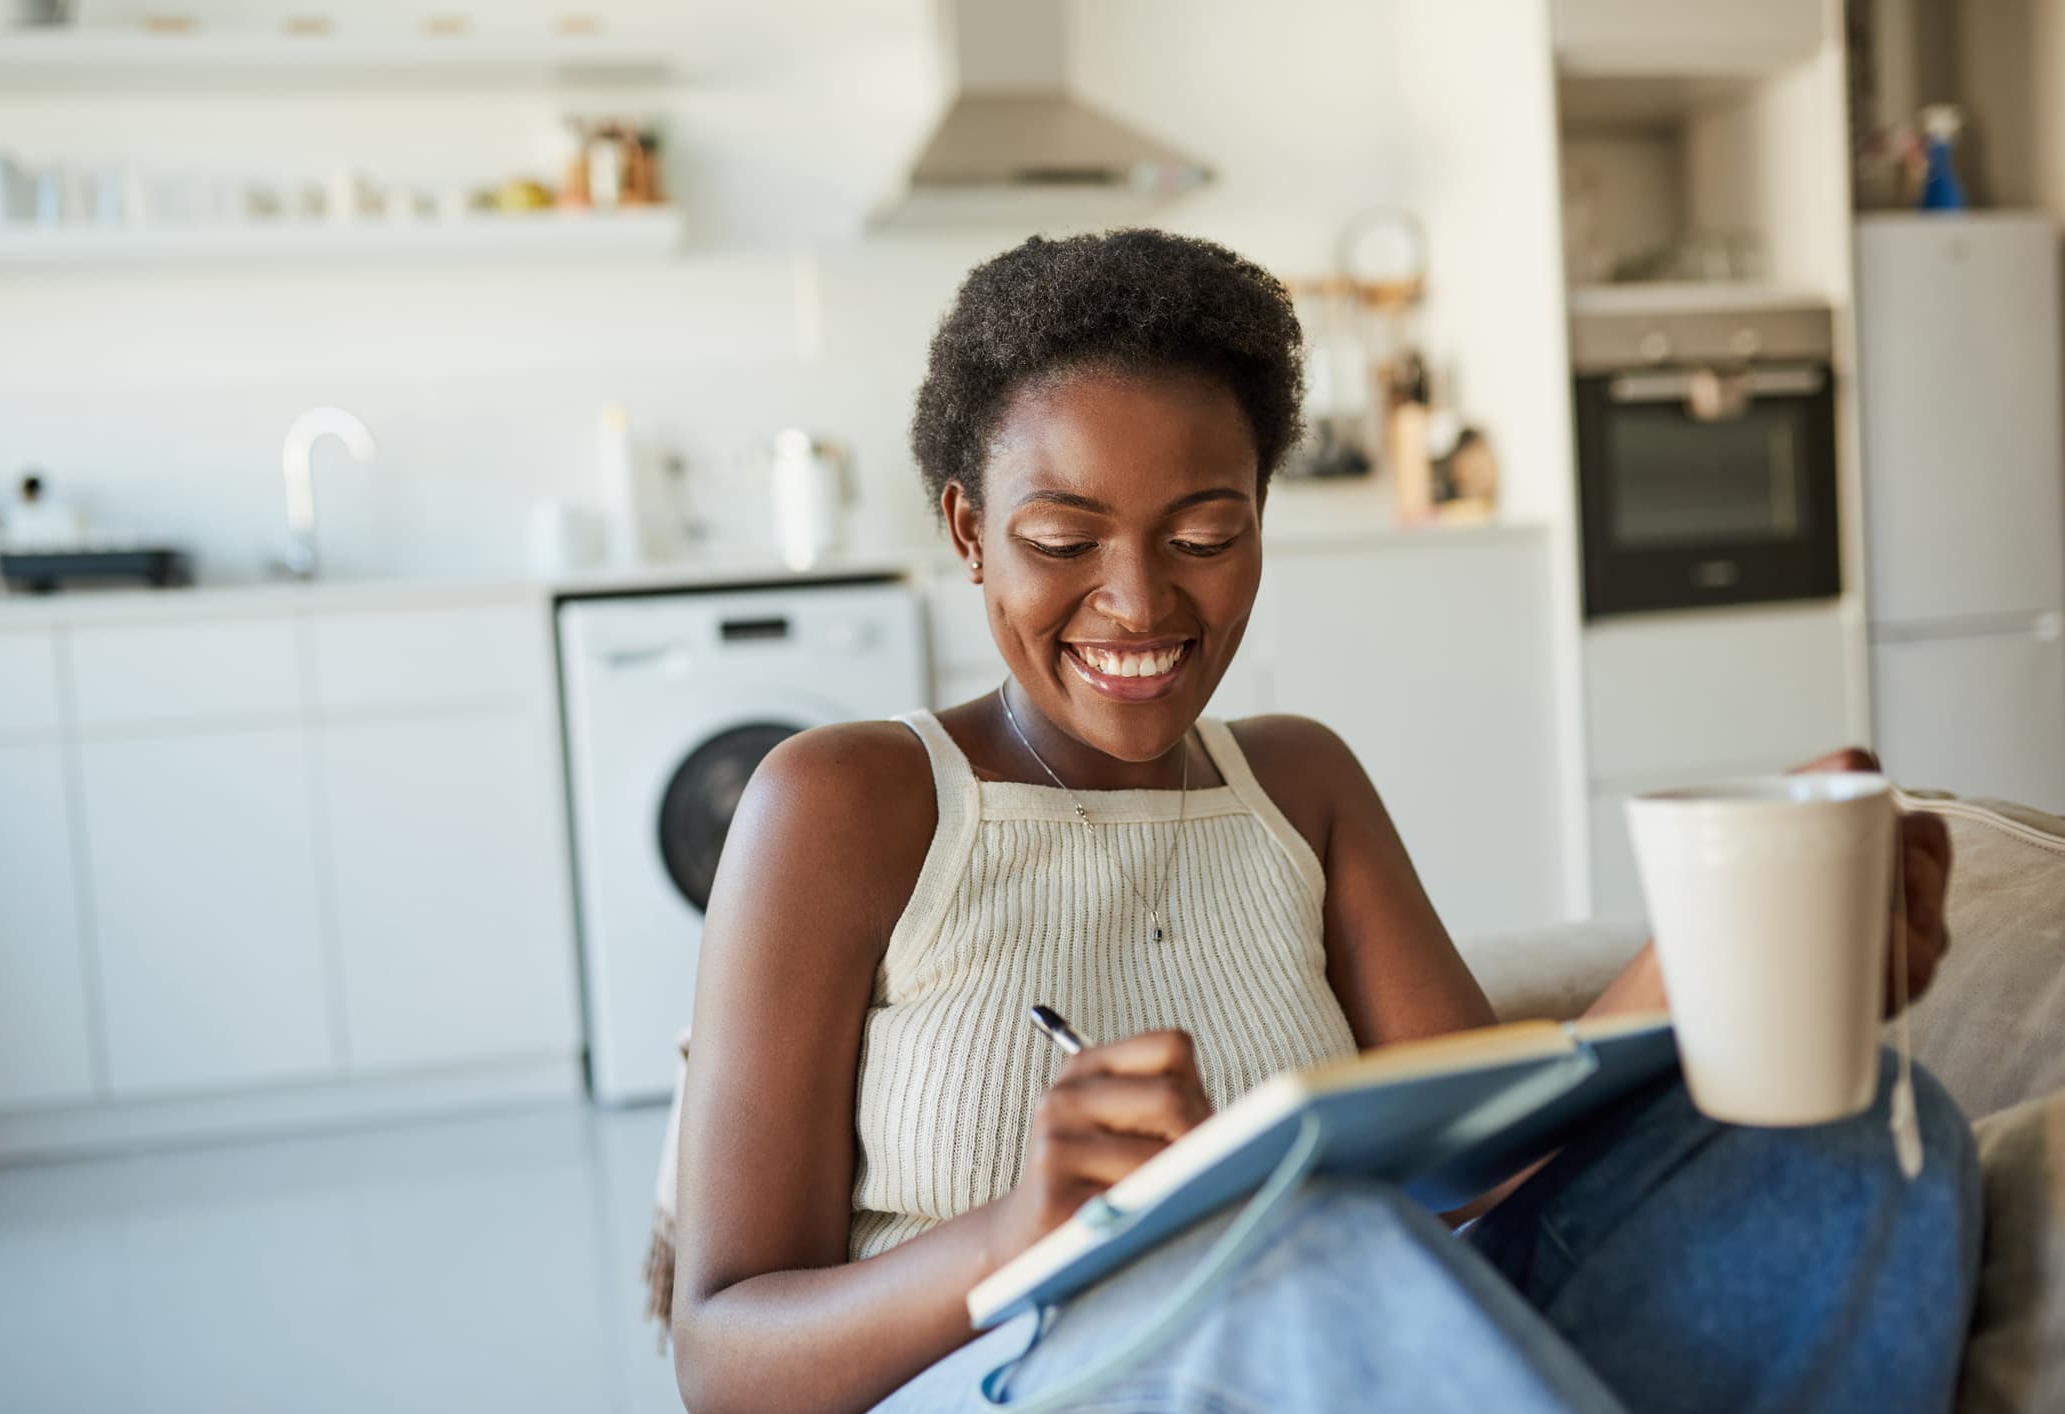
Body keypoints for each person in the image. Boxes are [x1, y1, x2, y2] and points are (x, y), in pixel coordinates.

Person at [667, 229, 1980, 1413]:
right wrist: (1019, 1228)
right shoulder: (844, 801)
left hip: (1350, 1336)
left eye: (1204, 531)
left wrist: (1743, 944)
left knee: (1865, 1128)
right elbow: (721, 1356)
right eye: (1064, 537)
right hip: (1034, 1371)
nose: (1137, 602)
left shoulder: (1301, 783)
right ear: (969, 530)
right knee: (1305, 1235)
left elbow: (1491, 1157)